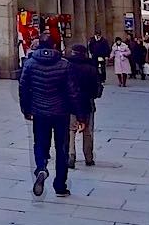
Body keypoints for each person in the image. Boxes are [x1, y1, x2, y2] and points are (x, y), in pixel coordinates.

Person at [19, 36, 80, 197]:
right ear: (54, 45)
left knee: (40, 143)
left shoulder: (30, 63)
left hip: (39, 111)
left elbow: (23, 88)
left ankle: (41, 168)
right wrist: (78, 114)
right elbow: (72, 91)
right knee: (62, 149)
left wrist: (26, 109)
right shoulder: (64, 64)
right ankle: (60, 185)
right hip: (61, 112)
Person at [66, 44, 102, 168]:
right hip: (87, 103)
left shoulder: (67, 66)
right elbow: (97, 89)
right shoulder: (91, 68)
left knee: (71, 130)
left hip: (70, 104)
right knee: (88, 131)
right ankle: (88, 157)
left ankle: (71, 155)